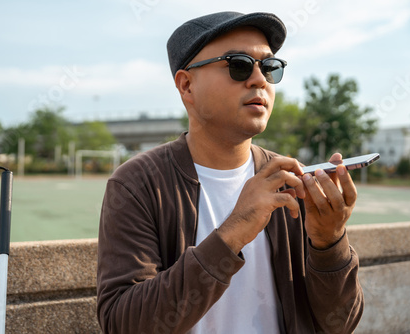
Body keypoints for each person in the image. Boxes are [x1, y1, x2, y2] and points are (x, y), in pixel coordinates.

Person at [97, 11, 364, 334]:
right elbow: (122, 324)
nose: (259, 79)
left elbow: (341, 325)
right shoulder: (139, 183)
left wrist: (329, 243)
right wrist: (234, 232)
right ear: (186, 85)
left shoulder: (292, 180)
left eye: (269, 67)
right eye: (238, 64)